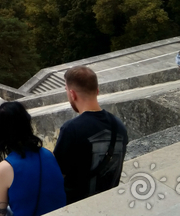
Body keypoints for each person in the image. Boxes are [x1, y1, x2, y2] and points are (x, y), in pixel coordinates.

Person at [53, 66, 128, 205]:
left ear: (72, 94)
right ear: (97, 91)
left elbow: (56, 175)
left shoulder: (71, 129)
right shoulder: (119, 126)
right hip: (111, 204)